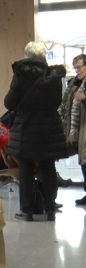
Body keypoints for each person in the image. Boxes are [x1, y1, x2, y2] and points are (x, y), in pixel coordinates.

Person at [4, 41, 67, 221]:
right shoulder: (54, 75)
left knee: (26, 169)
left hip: (26, 127)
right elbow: (57, 102)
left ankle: (27, 210)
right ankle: (50, 209)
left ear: (27, 55)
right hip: (49, 128)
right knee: (48, 168)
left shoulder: (21, 74)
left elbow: (9, 102)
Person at [60, 54, 86, 205]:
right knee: (83, 161)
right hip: (79, 130)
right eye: (75, 67)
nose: (77, 70)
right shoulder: (76, 83)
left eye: (79, 67)